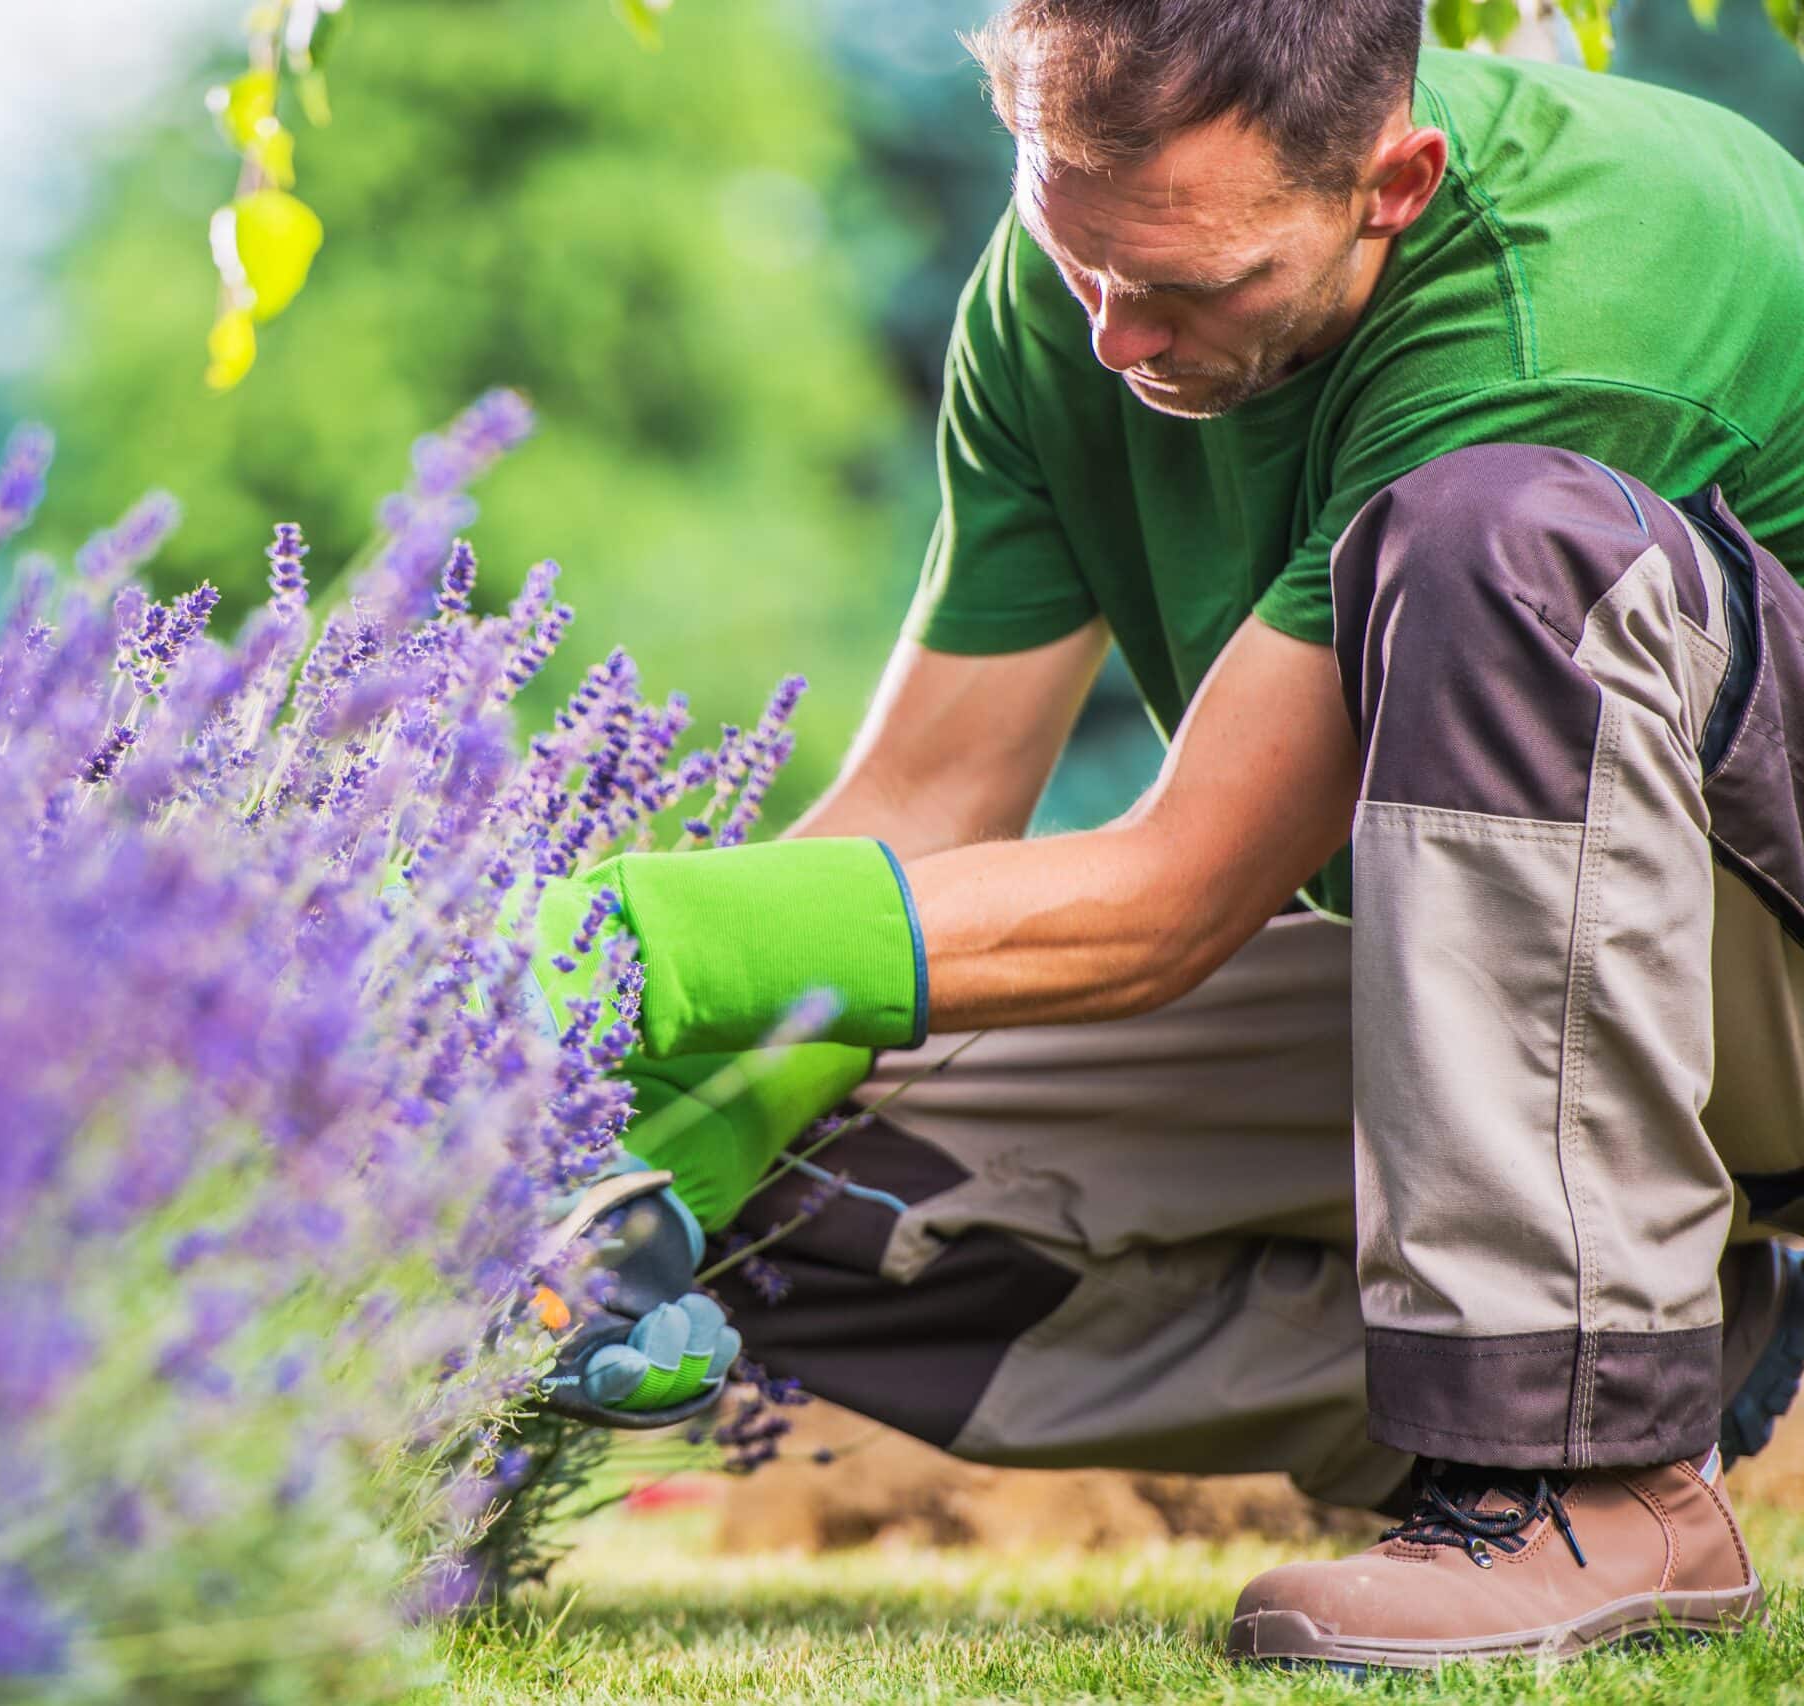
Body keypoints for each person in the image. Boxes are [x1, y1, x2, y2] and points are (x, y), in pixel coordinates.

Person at [540, 0, 1804, 1672]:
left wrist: (636, 936)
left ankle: (1585, 1472)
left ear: (1394, 182)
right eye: (1083, 262)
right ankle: (1683, 1334)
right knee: (817, 1197)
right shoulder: (1094, 274)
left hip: (1761, 966)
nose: (1121, 341)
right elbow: (921, 812)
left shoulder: (1570, 299)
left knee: (1505, 541)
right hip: (1543, 995)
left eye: (1195, 287)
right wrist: (636, 1161)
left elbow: (1181, 892)